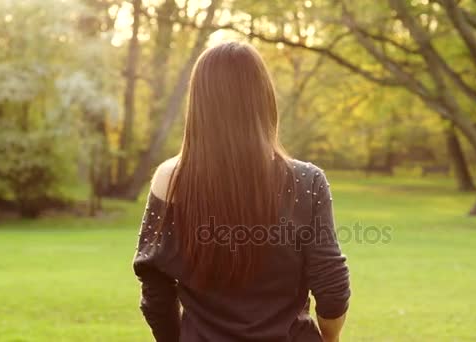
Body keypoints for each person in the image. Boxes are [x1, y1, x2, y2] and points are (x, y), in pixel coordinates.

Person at [133, 41, 350, 342]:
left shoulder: (169, 179)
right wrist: (331, 339)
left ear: (199, 104)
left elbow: (155, 288)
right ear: (264, 99)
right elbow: (331, 287)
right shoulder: (307, 180)